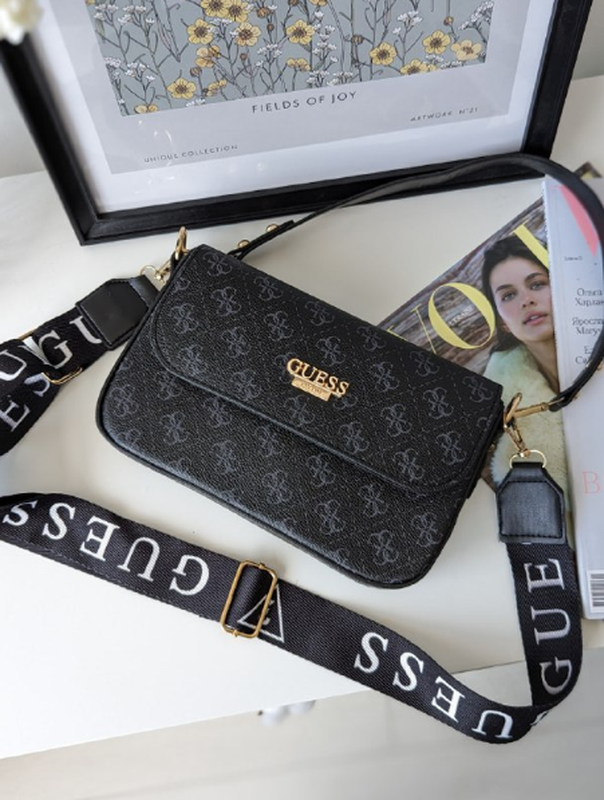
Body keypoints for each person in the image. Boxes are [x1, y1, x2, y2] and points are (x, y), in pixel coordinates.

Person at [481, 235, 568, 496]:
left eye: (537, 284)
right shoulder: (504, 409)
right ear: (503, 322)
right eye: (508, 295)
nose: (526, 300)